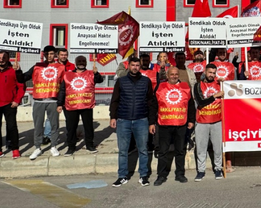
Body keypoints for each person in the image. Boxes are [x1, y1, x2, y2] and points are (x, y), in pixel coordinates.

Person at [109, 57, 154, 187]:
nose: (135, 67)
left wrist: (151, 122)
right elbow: (115, 100)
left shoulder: (146, 81)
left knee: (143, 150)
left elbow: (150, 102)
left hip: (141, 120)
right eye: (133, 65)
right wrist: (113, 117)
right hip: (123, 120)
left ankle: (144, 175)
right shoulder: (121, 81)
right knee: (123, 150)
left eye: (137, 65)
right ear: (128, 66)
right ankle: (122, 176)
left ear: (140, 66)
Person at [15, 45, 65, 160]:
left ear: (55, 55)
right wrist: (18, 71)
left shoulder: (61, 67)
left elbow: (63, 87)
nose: (49, 56)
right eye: (47, 54)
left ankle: (53, 146)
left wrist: (60, 103)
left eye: (52, 54)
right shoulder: (37, 66)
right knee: (38, 126)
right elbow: (23, 78)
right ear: (44, 55)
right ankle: (37, 147)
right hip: (38, 100)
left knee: (54, 125)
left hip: (53, 100)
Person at [149, 67, 196, 185]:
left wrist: (191, 120)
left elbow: (190, 105)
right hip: (164, 124)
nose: (174, 76)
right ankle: (161, 175)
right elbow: (153, 106)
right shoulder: (160, 87)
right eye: (172, 74)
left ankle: (180, 174)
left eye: (176, 74)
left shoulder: (185, 87)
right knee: (163, 151)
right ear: (167, 75)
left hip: (181, 124)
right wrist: (151, 123)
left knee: (180, 151)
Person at [56, 56, 103, 156]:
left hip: (86, 105)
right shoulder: (68, 75)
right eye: (79, 61)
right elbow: (62, 90)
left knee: (88, 126)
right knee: (71, 127)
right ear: (76, 62)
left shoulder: (91, 73)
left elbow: (100, 80)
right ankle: (71, 147)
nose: (81, 63)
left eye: (83, 61)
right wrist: (59, 103)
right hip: (71, 105)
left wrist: (96, 73)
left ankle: (90, 145)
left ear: (86, 63)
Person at [192, 64, 225, 181]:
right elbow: (200, 101)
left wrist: (225, 84)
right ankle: (201, 171)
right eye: (210, 72)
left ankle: (218, 169)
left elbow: (232, 92)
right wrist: (214, 96)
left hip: (217, 120)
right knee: (201, 148)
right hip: (202, 121)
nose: (212, 75)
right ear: (205, 72)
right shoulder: (197, 85)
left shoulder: (220, 84)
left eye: (214, 73)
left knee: (217, 147)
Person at [0, 51, 24, 159]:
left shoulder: (14, 71)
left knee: (12, 127)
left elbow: (21, 87)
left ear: (8, 58)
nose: (1, 59)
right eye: (0, 57)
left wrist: (17, 100)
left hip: (10, 104)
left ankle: (15, 149)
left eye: (4, 57)